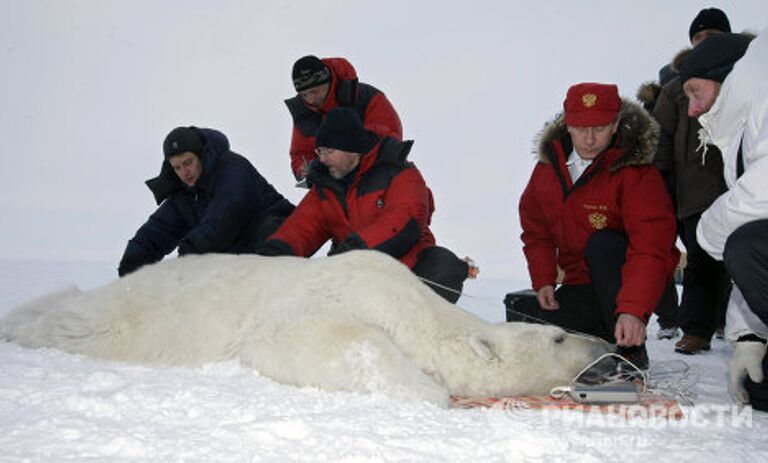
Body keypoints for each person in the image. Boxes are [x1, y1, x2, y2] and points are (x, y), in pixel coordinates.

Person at [506, 83, 680, 369]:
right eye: (580, 127)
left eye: (599, 128)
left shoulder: (637, 173)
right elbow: (535, 230)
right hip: (580, 285)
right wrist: (544, 279)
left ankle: (630, 350)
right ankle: (603, 335)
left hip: (632, 284)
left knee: (604, 244)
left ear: (615, 126)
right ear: (567, 125)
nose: (589, 139)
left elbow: (651, 247)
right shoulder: (547, 170)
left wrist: (634, 310)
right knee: (530, 323)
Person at [256, 108, 473, 303]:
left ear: (352, 149)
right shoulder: (325, 187)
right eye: (319, 152)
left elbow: (406, 218)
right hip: (353, 274)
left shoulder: (399, 171)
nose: (322, 159)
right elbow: (302, 227)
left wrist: (355, 250)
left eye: (329, 151)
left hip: (407, 268)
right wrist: (271, 257)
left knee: (444, 266)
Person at [678, 31, 767, 409]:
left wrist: (708, 232)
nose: (692, 110)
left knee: (743, 243)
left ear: (727, 79)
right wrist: (747, 337)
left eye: (696, 93)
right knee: (760, 390)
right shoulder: (743, 137)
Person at [653, 7, 733, 354]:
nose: (704, 43)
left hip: (737, 182)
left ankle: (732, 326)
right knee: (701, 260)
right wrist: (660, 182)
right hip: (694, 189)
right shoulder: (675, 86)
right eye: (699, 37)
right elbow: (660, 136)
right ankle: (697, 329)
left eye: (713, 37)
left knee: (740, 259)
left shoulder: (744, 79)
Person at [118, 126, 295, 276]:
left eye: (188, 162)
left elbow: (224, 219)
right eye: (177, 167)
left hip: (278, 241)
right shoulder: (184, 193)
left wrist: (186, 258)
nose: (184, 172)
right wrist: (129, 272)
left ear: (201, 155)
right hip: (236, 257)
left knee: (269, 231)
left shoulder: (233, 168)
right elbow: (157, 231)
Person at [285, 55, 403, 185]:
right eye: (304, 95)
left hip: (377, 182)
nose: (311, 99)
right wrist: (305, 169)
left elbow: (389, 139)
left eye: (315, 91)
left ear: (328, 81)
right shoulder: (305, 115)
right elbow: (299, 154)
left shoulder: (366, 98)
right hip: (332, 191)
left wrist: (348, 161)